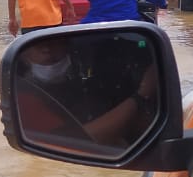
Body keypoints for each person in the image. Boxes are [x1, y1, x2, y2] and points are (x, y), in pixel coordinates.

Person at [14, 36, 158, 150]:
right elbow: (81, 140)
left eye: (58, 43)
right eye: (39, 46)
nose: (48, 50)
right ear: (24, 57)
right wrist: (141, 95)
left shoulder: (86, 86)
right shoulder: (25, 97)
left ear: (69, 51)